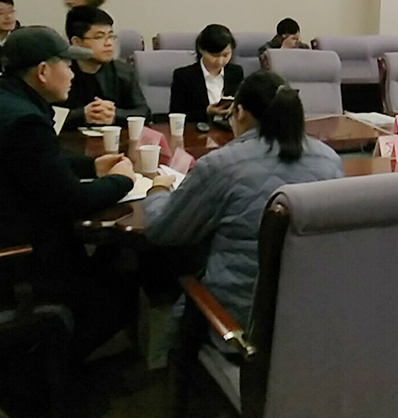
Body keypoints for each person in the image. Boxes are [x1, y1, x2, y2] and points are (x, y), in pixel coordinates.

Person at [0, 26, 137, 418]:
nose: (73, 74)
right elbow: (71, 201)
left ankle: (20, 364)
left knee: (103, 262)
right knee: (116, 294)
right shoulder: (24, 119)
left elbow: (36, 166)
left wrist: (91, 165)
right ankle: (15, 391)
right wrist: (123, 181)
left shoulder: (2, 101)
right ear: (43, 71)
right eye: (67, 65)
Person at [141, 71, 342, 327]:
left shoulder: (221, 165)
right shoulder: (329, 159)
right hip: (310, 313)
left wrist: (157, 190)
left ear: (240, 112)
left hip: (235, 318)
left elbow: (162, 230)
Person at [58, 6, 150, 129]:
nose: (108, 43)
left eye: (110, 36)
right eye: (99, 37)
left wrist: (114, 115)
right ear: (76, 42)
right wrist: (83, 115)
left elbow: (144, 112)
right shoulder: (59, 73)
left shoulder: (123, 71)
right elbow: (47, 116)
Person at [169, 24, 244, 124]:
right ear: (201, 50)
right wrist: (207, 112)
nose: (220, 61)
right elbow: (176, 116)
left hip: (228, 129)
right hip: (197, 130)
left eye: (226, 55)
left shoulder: (236, 72)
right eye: (214, 55)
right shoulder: (183, 76)